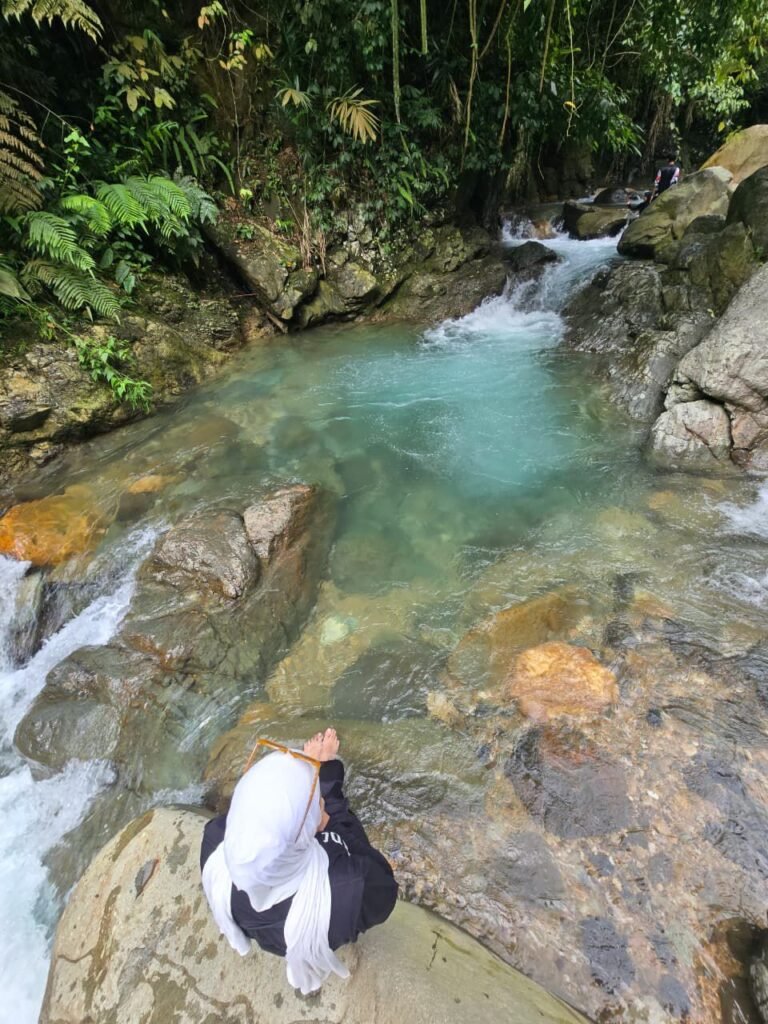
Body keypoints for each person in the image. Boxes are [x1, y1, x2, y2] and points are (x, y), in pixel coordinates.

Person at [200, 727, 398, 994]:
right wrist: (329, 802)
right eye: (315, 801)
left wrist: (306, 793)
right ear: (310, 832)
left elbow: (267, 818)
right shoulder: (352, 884)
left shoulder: (214, 842)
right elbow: (382, 881)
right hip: (321, 922)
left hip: (258, 925)